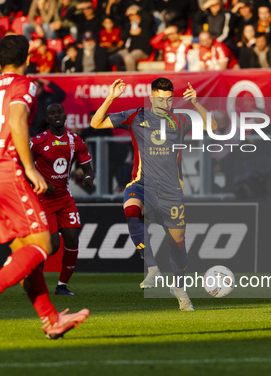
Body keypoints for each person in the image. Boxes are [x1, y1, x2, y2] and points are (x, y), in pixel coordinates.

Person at [0, 35, 88, 339]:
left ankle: (51, 320)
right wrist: (28, 168)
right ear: (27, 58)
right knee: (44, 244)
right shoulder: (24, 84)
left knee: (25, 257)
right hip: (6, 172)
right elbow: (16, 120)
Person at [90, 78, 217, 311]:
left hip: (171, 192)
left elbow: (214, 127)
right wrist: (111, 98)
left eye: (169, 99)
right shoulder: (136, 116)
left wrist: (197, 103)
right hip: (142, 184)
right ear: (151, 97)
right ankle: (152, 268)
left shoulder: (181, 118)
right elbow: (96, 123)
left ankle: (179, 288)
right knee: (131, 209)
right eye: (160, 98)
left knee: (177, 245)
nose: (165, 103)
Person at [30, 104, 94, 296]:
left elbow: (87, 166)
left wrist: (89, 177)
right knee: (53, 245)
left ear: (65, 116)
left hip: (65, 197)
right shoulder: (38, 142)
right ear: (47, 119)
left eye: (59, 112)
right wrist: (39, 182)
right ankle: (32, 275)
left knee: (73, 239)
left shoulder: (75, 141)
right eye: (52, 113)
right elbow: (26, 167)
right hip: (43, 199)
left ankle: (62, 286)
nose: (57, 116)